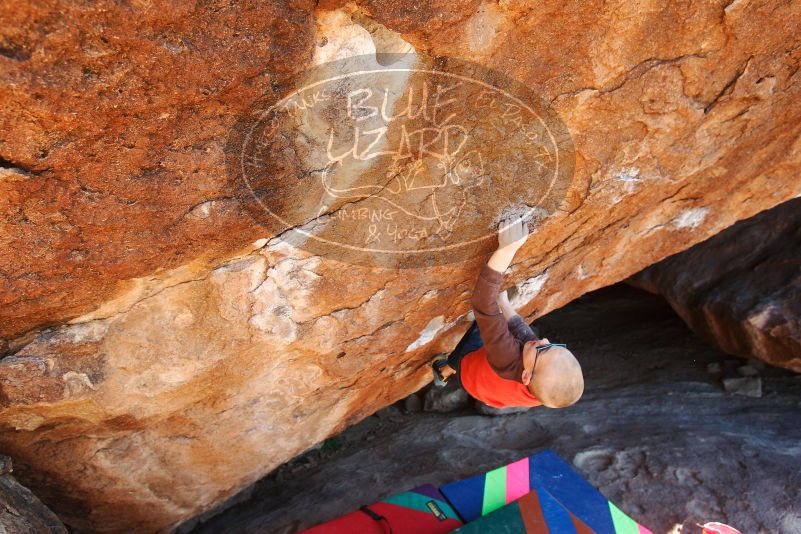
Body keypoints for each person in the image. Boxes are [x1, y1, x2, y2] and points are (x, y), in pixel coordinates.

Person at [432, 217, 584, 409]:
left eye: (543, 349)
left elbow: (483, 305)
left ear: (526, 376)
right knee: (497, 327)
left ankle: (443, 371)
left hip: (470, 374)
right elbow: (522, 333)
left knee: (480, 329)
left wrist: (506, 249)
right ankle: (445, 373)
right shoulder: (543, 382)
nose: (544, 340)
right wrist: (503, 302)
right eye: (554, 345)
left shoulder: (507, 357)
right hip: (490, 390)